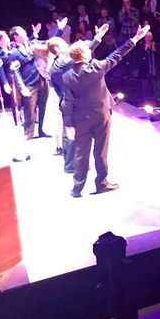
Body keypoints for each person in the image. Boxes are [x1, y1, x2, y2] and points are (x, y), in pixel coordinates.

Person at [62, 24, 149, 198]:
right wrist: (135, 39)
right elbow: (117, 54)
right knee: (100, 150)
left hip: (81, 119)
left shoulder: (67, 75)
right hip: (101, 115)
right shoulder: (97, 67)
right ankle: (101, 183)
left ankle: (77, 188)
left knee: (81, 152)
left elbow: (67, 102)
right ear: (85, 55)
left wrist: (68, 124)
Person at [48, 24, 109, 172]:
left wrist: (97, 38)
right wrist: (96, 39)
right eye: (63, 44)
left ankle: (70, 164)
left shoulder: (56, 65)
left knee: (69, 134)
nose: (67, 45)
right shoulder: (62, 63)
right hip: (72, 104)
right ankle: (70, 165)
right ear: (57, 49)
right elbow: (79, 55)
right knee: (72, 136)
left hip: (67, 102)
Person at [7, 24, 52, 139]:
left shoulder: (31, 44)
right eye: (22, 31)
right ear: (16, 36)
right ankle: (29, 133)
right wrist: (22, 87)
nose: (25, 32)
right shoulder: (14, 53)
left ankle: (42, 129)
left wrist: (60, 29)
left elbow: (49, 43)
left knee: (44, 106)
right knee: (29, 109)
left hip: (42, 78)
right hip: (29, 83)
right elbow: (15, 72)